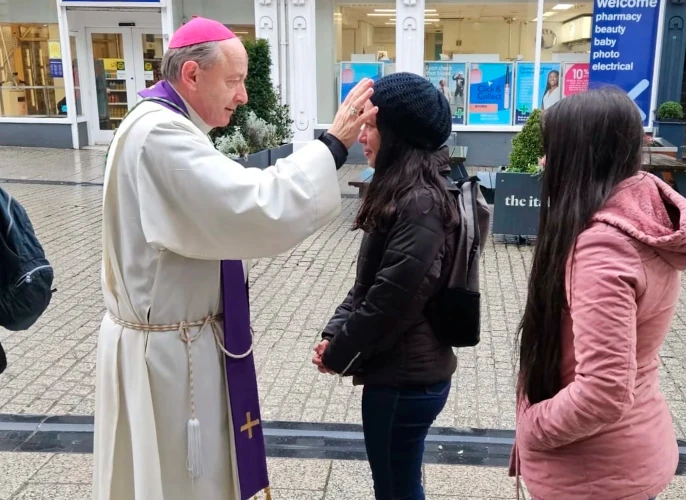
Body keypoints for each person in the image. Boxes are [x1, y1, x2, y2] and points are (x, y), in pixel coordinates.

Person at [92, 16, 378, 500]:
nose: (243, 95)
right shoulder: (160, 135)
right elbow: (251, 204)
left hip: (180, 341)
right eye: (234, 80)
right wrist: (330, 147)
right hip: (167, 357)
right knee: (178, 480)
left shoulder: (166, 124)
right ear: (191, 75)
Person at [510, 88, 686, 500]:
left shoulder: (603, 248)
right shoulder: (639, 224)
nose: (543, 163)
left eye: (551, 152)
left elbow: (603, 392)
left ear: (580, 157)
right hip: (628, 452)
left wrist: (532, 426)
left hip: (594, 472)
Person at [312, 72, 460, 500]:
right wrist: (332, 334)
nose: (361, 135)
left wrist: (339, 354)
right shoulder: (403, 191)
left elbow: (390, 301)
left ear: (398, 133)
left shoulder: (421, 202)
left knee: (396, 490)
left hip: (405, 382)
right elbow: (367, 285)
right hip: (401, 375)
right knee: (396, 485)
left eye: (371, 125)